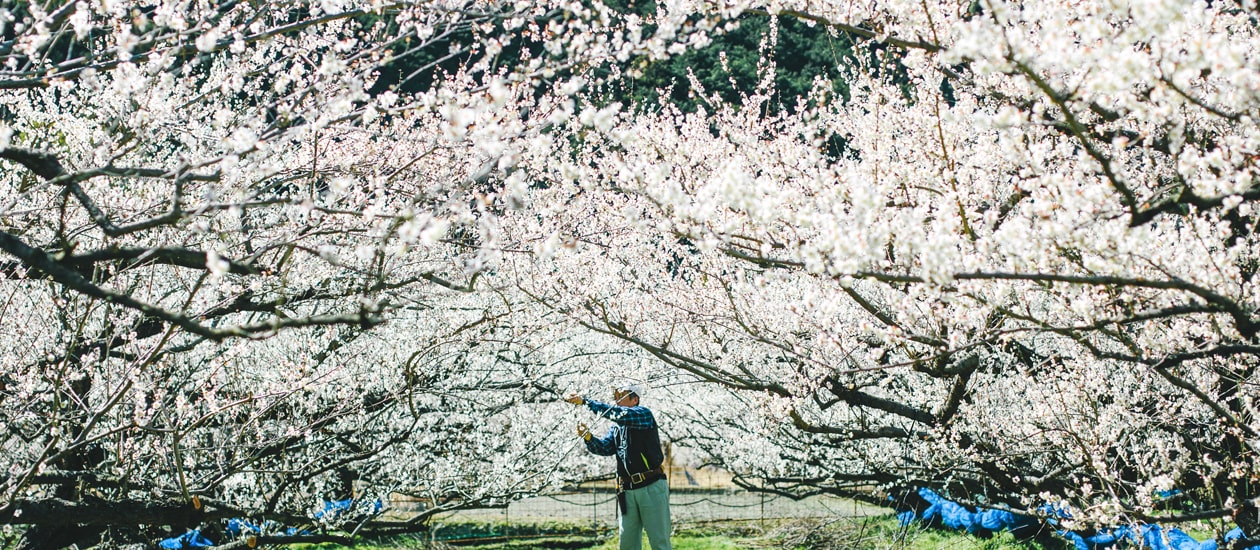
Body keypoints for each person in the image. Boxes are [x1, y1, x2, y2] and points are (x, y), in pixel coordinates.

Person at [564, 384, 672, 550]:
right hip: (625, 490)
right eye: (615, 395)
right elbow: (605, 448)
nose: (616, 399)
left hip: (651, 486)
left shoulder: (644, 414)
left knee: (659, 542)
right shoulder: (617, 426)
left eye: (621, 395)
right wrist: (588, 437)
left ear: (634, 399)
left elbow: (618, 414)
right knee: (626, 543)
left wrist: (585, 402)